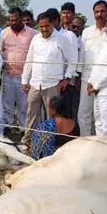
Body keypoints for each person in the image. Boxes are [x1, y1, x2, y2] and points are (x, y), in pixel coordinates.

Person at [22, 12, 78, 144]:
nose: (44, 29)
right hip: (35, 83)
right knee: (31, 113)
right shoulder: (36, 39)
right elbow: (29, 60)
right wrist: (25, 79)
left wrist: (67, 78)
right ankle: (27, 140)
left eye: (46, 26)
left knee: (51, 116)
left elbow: (72, 60)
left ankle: (49, 142)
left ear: (52, 24)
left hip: (53, 83)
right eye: (41, 26)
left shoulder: (62, 39)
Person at [0, 7, 37, 131]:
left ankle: (23, 129)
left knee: (24, 105)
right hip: (8, 74)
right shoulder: (4, 33)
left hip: (24, 76)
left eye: (15, 19)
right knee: (7, 103)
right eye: (10, 20)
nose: (13, 22)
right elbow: (2, 50)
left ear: (21, 18)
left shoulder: (33, 33)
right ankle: (8, 126)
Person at [78, 0, 107, 137]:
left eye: (102, 11)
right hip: (87, 77)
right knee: (84, 112)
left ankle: (101, 144)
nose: (99, 14)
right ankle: (86, 141)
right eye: (97, 11)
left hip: (105, 80)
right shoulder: (87, 32)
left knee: (101, 115)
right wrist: (78, 74)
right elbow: (82, 54)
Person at [30, 95, 80, 160]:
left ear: (54, 110)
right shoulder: (74, 123)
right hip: (71, 159)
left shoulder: (45, 127)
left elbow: (36, 148)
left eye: (49, 108)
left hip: (53, 162)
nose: (48, 110)